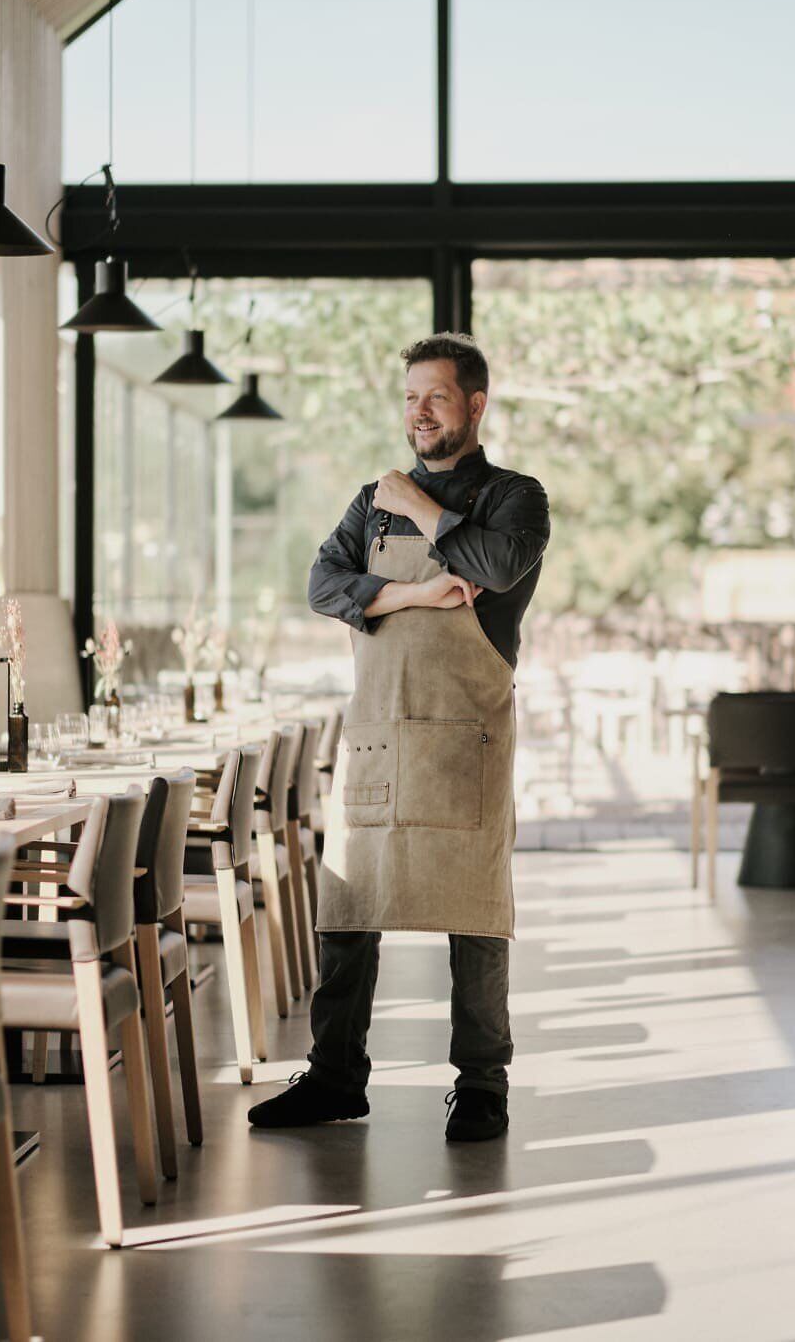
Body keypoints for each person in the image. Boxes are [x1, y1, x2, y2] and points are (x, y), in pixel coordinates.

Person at [248, 332, 549, 1141]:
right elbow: (322, 583)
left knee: (476, 920)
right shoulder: (366, 499)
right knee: (347, 911)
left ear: (475, 405)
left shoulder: (517, 498)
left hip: (466, 741)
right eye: (410, 396)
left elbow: (492, 565)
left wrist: (420, 509)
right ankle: (335, 1078)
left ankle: (483, 1087)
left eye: (437, 396)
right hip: (379, 732)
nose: (418, 411)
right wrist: (415, 598)